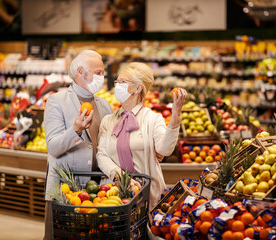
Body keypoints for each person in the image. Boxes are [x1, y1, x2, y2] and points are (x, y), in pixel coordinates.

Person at [43, 50, 112, 240]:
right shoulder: (57, 101)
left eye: (102, 73)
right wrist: (75, 130)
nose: (102, 77)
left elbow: (107, 146)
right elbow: (53, 147)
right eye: (98, 72)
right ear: (80, 71)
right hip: (66, 191)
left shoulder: (104, 105)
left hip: (97, 190)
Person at [97, 62, 187, 209]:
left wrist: (175, 117)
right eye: (117, 82)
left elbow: (164, 150)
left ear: (138, 88)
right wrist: (119, 176)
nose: (117, 86)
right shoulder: (108, 120)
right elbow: (101, 155)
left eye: (123, 82)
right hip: (112, 195)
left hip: (147, 196)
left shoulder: (153, 119)